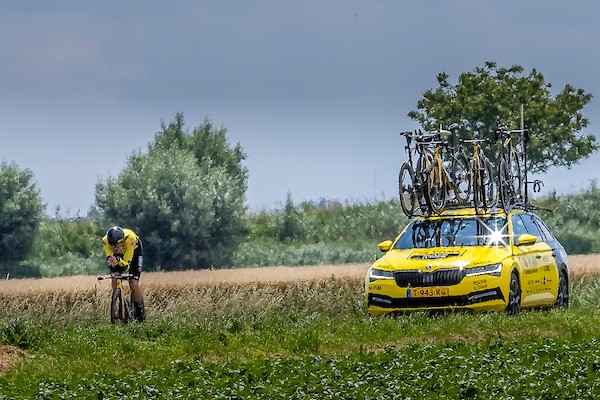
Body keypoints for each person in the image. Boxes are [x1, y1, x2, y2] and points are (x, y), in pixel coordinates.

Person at [102, 226, 146, 322]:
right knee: (115, 277)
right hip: (121, 255)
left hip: (134, 252)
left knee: (133, 284)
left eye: (117, 246)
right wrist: (112, 262)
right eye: (112, 246)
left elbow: (126, 265)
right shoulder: (105, 241)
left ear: (122, 242)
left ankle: (141, 316)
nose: (114, 249)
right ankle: (121, 300)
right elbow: (110, 258)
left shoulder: (130, 239)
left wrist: (118, 260)